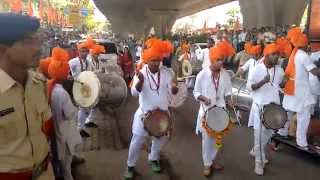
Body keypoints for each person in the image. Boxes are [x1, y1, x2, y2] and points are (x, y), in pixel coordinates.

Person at [0, 13, 54, 180]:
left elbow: (45, 129)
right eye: (28, 42)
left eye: (37, 40)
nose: (38, 48)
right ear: (3, 49)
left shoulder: (39, 84)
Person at [124, 39, 178, 179]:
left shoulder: (166, 73)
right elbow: (134, 94)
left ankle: (153, 158)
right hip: (144, 114)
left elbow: (172, 92)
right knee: (137, 141)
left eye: (158, 60)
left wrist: (174, 88)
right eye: (152, 60)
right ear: (147, 59)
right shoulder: (140, 73)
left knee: (161, 139)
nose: (155, 63)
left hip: (162, 116)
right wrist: (140, 82)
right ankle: (130, 166)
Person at [193, 41, 235, 177]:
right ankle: (207, 164)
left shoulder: (225, 74)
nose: (221, 62)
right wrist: (204, 98)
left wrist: (230, 100)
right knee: (207, 140)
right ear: (211, 60)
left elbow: (228, 92)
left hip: (220, 112)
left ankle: (213, 160)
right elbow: (195, 92)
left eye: (222, 59)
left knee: (218, 139)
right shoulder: (202, 74)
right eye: (218, 60)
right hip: (206, 112)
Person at [247, 43, 284, 175]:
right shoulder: (257, 68)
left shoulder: (279, 70)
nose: (277, 57)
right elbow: (249, 87)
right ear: (266, 55)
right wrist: (262, 81)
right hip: (260, 106)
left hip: (274, 108)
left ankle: (257, 150)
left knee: (269, 134)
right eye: (274, 54)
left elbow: (279, 85)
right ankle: (258, 162)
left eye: (278, 54)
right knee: (258, 135)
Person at [281, 28, 320, 149]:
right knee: (304, 115)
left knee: (288, 111)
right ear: (304, 43)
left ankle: (281, 132)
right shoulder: (303, 55)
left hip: (292, 87)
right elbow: (315, 72)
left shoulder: (295, 53)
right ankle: (301, 142)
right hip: (300, 90)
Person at [47, 48, 81, 180]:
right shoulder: (62, 93)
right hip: (63, 131)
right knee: (66, 168)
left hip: (54, 130)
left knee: (58, 160)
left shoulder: (50, 87)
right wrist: (77, 105)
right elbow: (69, 114)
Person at [68, 37, 95, 138]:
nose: (84, 53)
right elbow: (67, 72)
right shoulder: (73, 62)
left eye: (86, 51)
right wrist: (70, 77)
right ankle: (79, 129)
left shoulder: (88, 62)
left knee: (86, 107)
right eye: (82, 51)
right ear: (78, 51)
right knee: (82, 108)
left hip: (85, 87)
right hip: (77, 86)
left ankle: (81, 127)